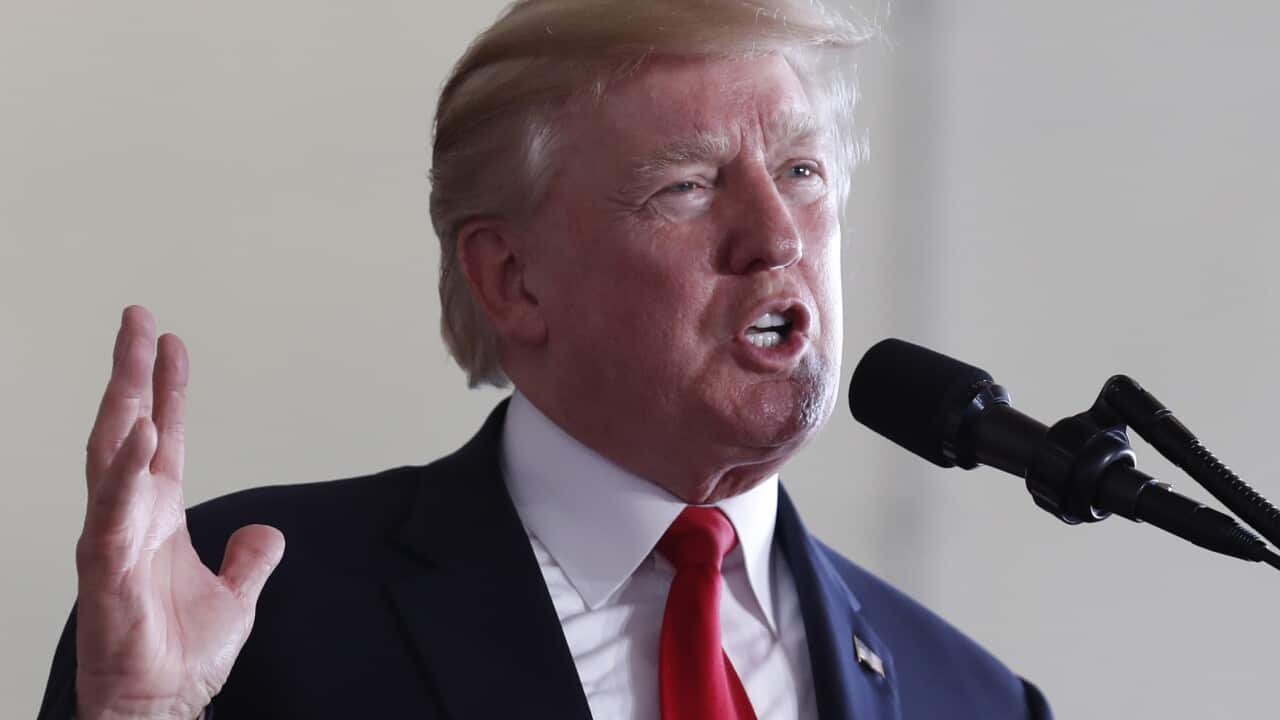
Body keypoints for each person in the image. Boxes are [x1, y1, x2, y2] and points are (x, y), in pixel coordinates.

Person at [39, 1, 1052, 718]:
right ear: (513, 279)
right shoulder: (258, 611)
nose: (776, 236)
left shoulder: (970, 697)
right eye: (688, 186)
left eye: (800, 171)